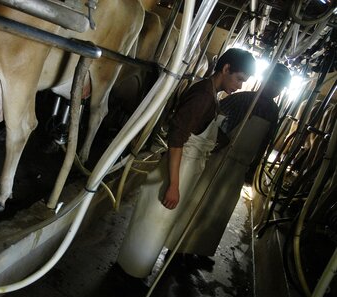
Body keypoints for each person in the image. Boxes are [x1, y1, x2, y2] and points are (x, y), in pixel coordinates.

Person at [117, 48, 256, 278]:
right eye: (239, 79)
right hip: (177, 170)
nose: (240, 86)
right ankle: (127, 273)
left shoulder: (212, 95)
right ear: (226, 69)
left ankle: (136, 270)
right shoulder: (203, 95)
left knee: (157, 226)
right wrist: (173, 184)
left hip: (184, 169)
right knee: (151, 225)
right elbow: (176, 139)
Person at [169, 63, 291, 257]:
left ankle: (200, 251)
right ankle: (178, 248)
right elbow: (213, 122)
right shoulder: (241, 99)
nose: (275, 88)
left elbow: (265, 143)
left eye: (280, 86)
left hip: (240, 166)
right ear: (265, 79)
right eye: (273, 82)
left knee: (220, 210)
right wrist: (213, 144)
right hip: (219, 158)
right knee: (199, 202)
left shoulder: (274, 113)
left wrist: (254, 167)